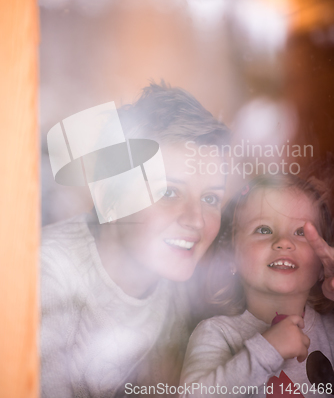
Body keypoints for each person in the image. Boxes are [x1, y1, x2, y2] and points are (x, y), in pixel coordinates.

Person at [40, 82, 230, 398]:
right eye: (169, 192)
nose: (196, 220)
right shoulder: (49, 272)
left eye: (211, 198)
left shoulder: (184, 284)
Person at [180, 174, 334, 398]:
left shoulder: (330, 329)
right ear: (232, 256)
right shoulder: (217, 333)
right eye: (263, 229)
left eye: (301, 232)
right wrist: (267, 350)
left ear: (322, 265)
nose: (283, 241)